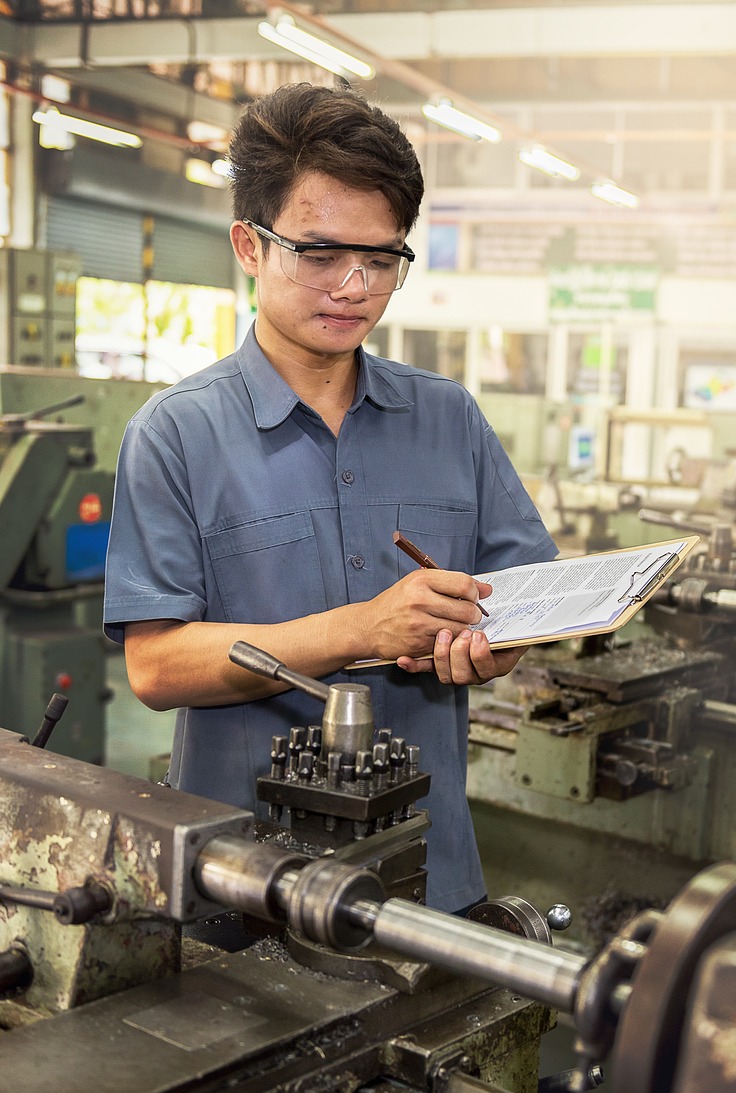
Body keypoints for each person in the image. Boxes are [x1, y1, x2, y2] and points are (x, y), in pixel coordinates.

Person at [103, 83, 557, 916]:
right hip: (242, 881)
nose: (353, 284)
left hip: (428, 875)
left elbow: (523, 602)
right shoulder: (175, 436)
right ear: (250, 244)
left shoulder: (447, 417)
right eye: (319, 254)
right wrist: (360, 629)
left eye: (381, 260)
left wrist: (492, 647)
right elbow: (156, 665)